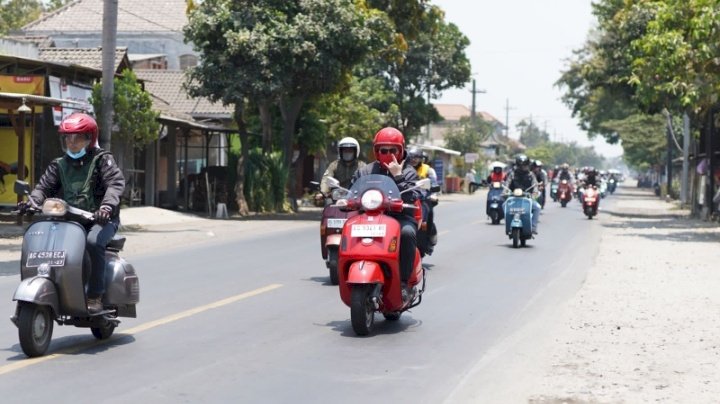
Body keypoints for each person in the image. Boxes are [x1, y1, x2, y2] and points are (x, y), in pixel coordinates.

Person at [19, 113, 125, 314]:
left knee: (93, 242)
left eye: (77, 137)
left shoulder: (103, 160)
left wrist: (106, 208)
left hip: (101, 220)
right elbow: (43, 188)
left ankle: (95, 296)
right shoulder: (59, 164)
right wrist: (31, 202)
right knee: (43, 242)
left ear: (89, 138)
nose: (72, 142)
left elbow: (115, 184)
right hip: (69, 220)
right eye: (68, 137)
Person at [352, 127, 421, 301]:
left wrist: (398, 176)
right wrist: (344, 200)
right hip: (369, 218)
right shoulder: (365, 171)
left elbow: (413, 197)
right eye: (384, 150)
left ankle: (404, 283)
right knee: (347, 229)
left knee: (407, 233)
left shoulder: (408, 171)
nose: (388, 153)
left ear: (401, 151)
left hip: (400, 217)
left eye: (393, 150)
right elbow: (352, 191)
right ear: (376, 151)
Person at [317, 137, 366, 205]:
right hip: (337, 200)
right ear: (340, 151)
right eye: (345, 151)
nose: (347, 153)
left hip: (357, 200)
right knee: (327, 212)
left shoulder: (362, 166)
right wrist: (323, 192)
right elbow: (326, 178)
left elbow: (369, 180)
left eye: (350, 151)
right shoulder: (334, 165)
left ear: (356, 151)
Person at [406, 146, 438, 252]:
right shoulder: (403, 169)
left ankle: (429, 237)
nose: (414, 159)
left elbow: (434, 183)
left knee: (428, 219)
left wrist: (433, 193)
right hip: (407, 200)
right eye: (412, 157)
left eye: (417, 157)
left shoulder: (428, 169)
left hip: (423, 200)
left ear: (421, 158)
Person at [505, 154, 541, 234]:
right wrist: (505, 191)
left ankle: (533, 227)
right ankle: (508, 225)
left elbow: (535, 184)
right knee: (504, 205)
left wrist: (535, 193)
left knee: (537, 207)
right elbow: (507, 183)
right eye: (520, 165)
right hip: (513, 197)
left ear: (528, 165)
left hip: (527, 197)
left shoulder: (531, 175)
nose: (522, 167)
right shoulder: (512, 174)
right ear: (517, 165)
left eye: (524, 165)